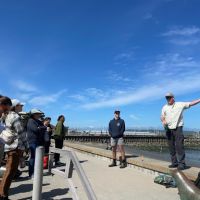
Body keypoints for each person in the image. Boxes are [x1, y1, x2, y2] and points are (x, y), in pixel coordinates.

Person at [161, 92, 200, 170]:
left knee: (179, 146)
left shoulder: (180, 104)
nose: (167, 99)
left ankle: (182, 163)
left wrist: (199, 100)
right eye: (166, 98)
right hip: (168, 128)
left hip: (178, 127)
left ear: (173, 98)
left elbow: (191, 103)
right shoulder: (164, 107)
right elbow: (162, 116)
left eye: (169, 97)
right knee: (171, 146)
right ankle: (174, 163)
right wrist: (163, 120)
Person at [0, 97, 25, 200]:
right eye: (20, 105)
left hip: (8, 146)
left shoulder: (4, 116)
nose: (21, 107)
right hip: (15, 147)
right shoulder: (14, 116)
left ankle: (2, 194)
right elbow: (21, 133)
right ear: (14, 106)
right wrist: (26, 147)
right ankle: (3, 196)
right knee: (10, 171)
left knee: (9, 171)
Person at [26, 109, 46, 178]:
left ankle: (36, 172)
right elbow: (35, 129)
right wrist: (42, 128)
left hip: (38, 141)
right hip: (33, 141)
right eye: (38, 114)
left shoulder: (38, 121)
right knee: (33, 157)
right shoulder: (30, 121)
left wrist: (41, 127)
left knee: (38, 157)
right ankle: (31, 173)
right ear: (34, 114)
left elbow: (43, 127)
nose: (39, 115)